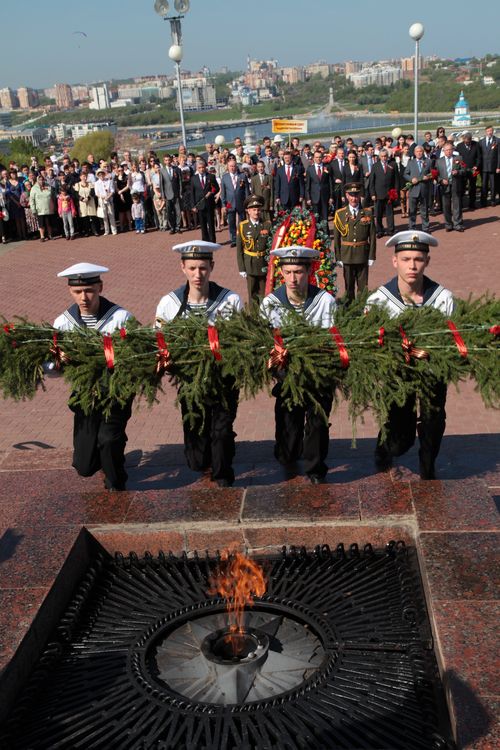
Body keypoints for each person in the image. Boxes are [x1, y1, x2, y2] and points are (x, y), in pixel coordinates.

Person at [366, 231, 454, 480]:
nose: (412, 265)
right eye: (405, 259)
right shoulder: (379, 301)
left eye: (418, 258)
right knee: (399, 440)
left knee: (434, 420)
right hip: (398, 376)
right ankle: (385, 446)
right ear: (395, 261)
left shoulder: (443, 299)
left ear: (427, 261)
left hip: (432, 373)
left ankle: (428, 464)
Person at [155, 241, 243, 487]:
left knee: (221, 431)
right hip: (189, 381)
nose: (197, 274)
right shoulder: (169, 303)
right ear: (182, 267)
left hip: (223, 379)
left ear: (211, 267)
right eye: (192, 268)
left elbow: (240, 340)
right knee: (196, 453)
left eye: (203, 268)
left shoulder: (230, 300)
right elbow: (159, 343)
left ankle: (224, 474)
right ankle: (210, 457)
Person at [52, 263, 134, 490]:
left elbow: (136, 357)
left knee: (108, 440)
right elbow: (52, 367)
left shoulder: (120, 318)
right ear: (71, 291)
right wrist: (60, 360)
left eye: (89, 290)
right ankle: (106, 452)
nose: (84, 297)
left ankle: (116, 478)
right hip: (85, 395)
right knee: (84, 466)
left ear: (100, 287)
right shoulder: (63, 323)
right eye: (78, 292)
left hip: (116, 392)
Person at [260, 245, 337, 484]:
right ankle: (287, 453)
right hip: (286, 377)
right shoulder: (270, 303)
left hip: (318, 376)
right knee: (289, 434)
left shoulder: (325, 301)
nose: (293, 278)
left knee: (317, 424)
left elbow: (332, 342)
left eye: (299, 272)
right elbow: (265, 344)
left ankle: (315, 468)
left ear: (308, 271)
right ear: (281, 272)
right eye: (288, 272)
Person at [333, 182, 376, 302]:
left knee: (363, 287)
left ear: (360, 196)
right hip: (347, 256)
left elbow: (372, 236)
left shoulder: (367, 212)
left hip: (362, 254)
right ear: (346, 196)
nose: (354, 198)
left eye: (356, 195)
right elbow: (336, 239)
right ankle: (349, 309)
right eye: (351, 195)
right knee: (349, 287)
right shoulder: (340, 214)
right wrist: (338, 257)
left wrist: (372, 255)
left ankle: (362, 310)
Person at [236, 196, 272, 304]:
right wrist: (241, 268)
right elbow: (239, 250)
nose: (256, 212)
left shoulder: (267, 225)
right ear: (248, 211)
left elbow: (270, 246)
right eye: (254, 210)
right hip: (250, 263)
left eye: (258, 210)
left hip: (263, 263)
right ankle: (253, 316)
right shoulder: (243, 226)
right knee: (252, 293)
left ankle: (264, 315)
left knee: (263, 293)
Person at [369, 148, 399, 238]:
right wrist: (373, 194)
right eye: (382, 156)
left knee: (390, 213)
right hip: (378, 194)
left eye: (385, 156)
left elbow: (396, 179)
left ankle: (391, 229)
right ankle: (379, 230)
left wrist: (396, 191)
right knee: (378, 214)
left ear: (388, 156)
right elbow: (372, 181)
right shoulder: (375, 166)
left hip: (390, 193)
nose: (384, 158)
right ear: (379, 157)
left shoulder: (393, 164)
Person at [436, 142, 465, 232]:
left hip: (456, 185)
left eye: (450, 150)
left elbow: (464, 170)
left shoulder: (458, 158)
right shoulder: (438, 161)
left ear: (453, 150)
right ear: (443, 151)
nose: (448, 152)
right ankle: (448, 224)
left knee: (457, 205)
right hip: (444, 186)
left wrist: (458, 172)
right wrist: (441, 180)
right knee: (446, 206)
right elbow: (435, 175)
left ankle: (458, 224)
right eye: (447, 150)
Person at [220, 156, 249, 247]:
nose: (232, 168)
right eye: (230, 166)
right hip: (229, 203)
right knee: (231, 222)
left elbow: (246, 190)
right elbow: (223, 192)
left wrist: (247, 203)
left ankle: (242, 239)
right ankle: (233, 240)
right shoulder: (224, 177)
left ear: (236, 166)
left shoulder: (242, 176)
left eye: (234, 166)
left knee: (242, 222)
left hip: (241, 202)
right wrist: (223, 204)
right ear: (228, 167)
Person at [404, 146, 433, 232]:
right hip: (413, 190)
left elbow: (433, 173)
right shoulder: (411, 162)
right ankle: (412, 227)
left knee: (424, 210)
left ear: (423, 152)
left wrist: (428, 177)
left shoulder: (428, 161)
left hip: (424, 189)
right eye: (417, 151)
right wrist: (411, 179)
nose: (419, 153)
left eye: (420, 151)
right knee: (412, 210)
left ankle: (425, 227)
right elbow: (405, 174)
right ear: (414, 153)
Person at [190, 158, 217, 243]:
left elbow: (216, 188)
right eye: (200, 168)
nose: (202, 169)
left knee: (211, 224)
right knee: (203, 224)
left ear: (205, 167)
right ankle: (205, 241)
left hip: (209, 204)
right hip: (199, 205)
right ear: (197, 168)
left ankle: (212, 241)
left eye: (203, 167)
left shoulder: (211, 177)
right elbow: (192, 193)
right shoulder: (194, 179)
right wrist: (193, 206)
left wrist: (211, 193)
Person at [455, 132, 481, 211]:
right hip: (463, 170)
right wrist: (460, 166)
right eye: (466, 142)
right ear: (463, 140)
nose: (467, 143)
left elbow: (479, 157)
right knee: (462, 187)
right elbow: (457, 158)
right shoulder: (459, 146)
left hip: (473, 170)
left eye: (469, 141)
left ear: (471, 139)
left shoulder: (476, 145)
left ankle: (472, 204)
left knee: (472, 187)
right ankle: (461, 204)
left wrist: (476, 166)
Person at [305, 150, 331, 223]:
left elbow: (330, 183)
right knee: (316, 218)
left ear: (322, 157)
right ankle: (317, 233)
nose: (318, 159)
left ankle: (326, 233)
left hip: (325, 196)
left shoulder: (327, 167)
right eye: (316, 157)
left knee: (325, 217)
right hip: (314, 197)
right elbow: (308, 185)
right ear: (313, 158)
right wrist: (308, 198)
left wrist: (331, 196)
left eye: (320, 157)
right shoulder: (310, 169)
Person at [29, 175, 55, 242]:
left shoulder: (48, 186)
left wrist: (54, 206)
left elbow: (52, 196)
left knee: (49, 223)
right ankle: (42, 236)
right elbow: (31, 199)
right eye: (40, 179)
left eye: (42, 179)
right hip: (40, 209)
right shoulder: (34, 188)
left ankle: (50, 235)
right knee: (41, 224)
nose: (41, 181)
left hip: (49, 208)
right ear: (37, 180)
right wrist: (33, 209)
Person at [479, 126, 498, 208]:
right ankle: (483, 201)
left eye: (491, 131)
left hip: (493, 167)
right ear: (485, 132)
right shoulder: (481, 142)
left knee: (493, 184)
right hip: (483, 167)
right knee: (484, 185)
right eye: (488, 131)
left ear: (493, 131)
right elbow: (479, 155)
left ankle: (493, 200)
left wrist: (498, 167)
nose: (489, 132)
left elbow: (499, 155)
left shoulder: (497, 140)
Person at [94, 169, 117, 236]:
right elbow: (96, 193)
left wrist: (108, 196)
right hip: (101, 200)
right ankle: (106, 231)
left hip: (109, 199)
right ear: (98, 176)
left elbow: (112, 191)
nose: (101, 176)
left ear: (104, 174)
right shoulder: (96, 183)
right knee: (104, 216)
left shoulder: (109, 181)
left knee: (111, 215)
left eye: (102, 174)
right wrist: (102, 197)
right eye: (100, 175)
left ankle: (114, 230)